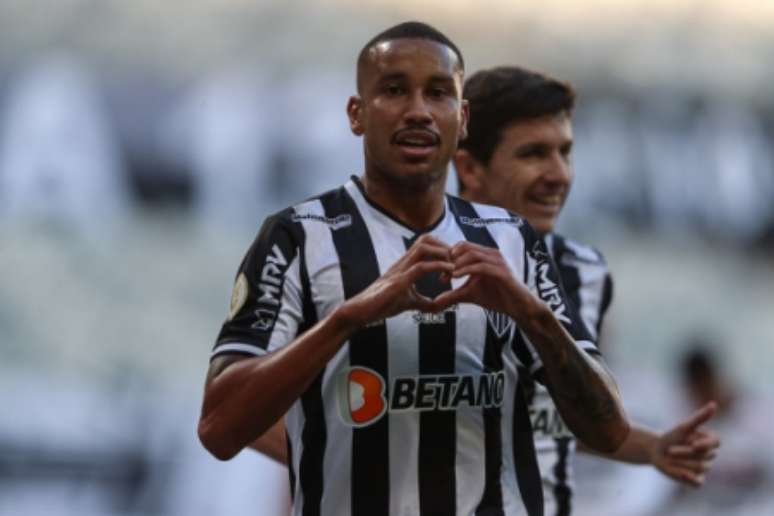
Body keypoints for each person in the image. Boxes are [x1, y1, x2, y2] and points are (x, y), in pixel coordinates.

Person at [198, 22, 632, 516]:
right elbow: (218, 428)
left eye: (439, 93)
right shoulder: (298, 237)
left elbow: (609, 430)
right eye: (395, 90)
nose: (419, 111)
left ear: (462, 117)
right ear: (357, 114)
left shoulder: (513, 240)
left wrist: (531, 313)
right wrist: (347, 318)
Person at [453, 66, 720, 516]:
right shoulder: (409, 268)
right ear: (469, 167)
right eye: (534, 153)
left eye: (565, 152)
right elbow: (307, 429)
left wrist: (651, 448)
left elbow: (563, 419)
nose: (559, 175)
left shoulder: (584, 272)